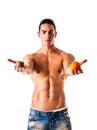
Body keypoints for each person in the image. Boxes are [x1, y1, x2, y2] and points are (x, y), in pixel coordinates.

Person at [8, 18, 87, 130]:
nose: (47, 35)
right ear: (38, 34)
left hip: (61, 115)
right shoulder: (31, 57)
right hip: (37, 115)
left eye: (51, 32)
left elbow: (68, 68)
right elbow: (28, 68)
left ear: (55, 34)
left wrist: (73, 70)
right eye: (44, 32)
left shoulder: (65, 56)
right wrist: (21, 66)